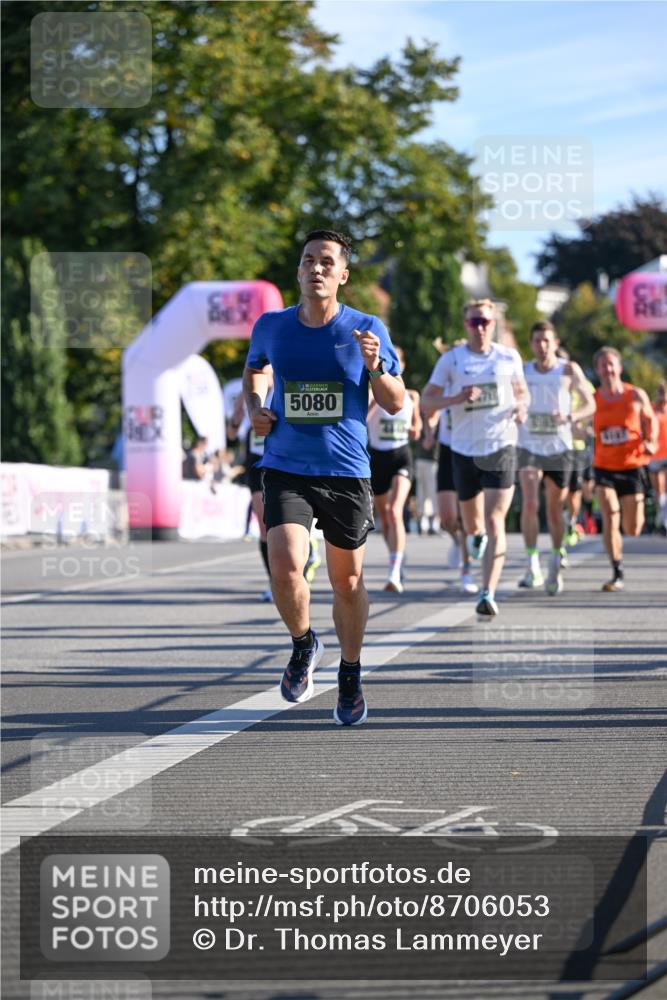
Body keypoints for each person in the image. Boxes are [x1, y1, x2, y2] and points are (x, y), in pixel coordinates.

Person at [243, 229, 404, 725]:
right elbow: (256, 373)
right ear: (298, 270)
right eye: (308, 260)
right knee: (285, 561)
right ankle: (303, 643)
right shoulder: (271, 326)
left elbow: (396, 402)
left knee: (347, 581)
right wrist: (255, 407)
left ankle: (350, 672)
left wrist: (376, 366)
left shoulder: (365, 328)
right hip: (286, 464)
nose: (317, 268)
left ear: (343, 274)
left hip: (347, 470)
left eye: (327, 262)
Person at [422, 299, 529, 619]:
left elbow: (522, 391)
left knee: (495, 519)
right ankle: (475, 539)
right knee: (472, 525)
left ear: (493, 323)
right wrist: (455, 398)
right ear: (465, 324)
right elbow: (427, 399)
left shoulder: (509, 357)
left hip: (501, 446)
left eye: (485, 321)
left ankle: (488, 591)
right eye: (474, 322)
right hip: (463, 450)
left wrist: (522, 406)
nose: (480, 327)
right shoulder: (452, 360)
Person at [517, 322, 595, 594]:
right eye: (537, 341)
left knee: (554, 509)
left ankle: (555, 555)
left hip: (558, 448)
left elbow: (590, 403)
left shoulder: (568, 370)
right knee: (529, 503)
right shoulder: (523, 370)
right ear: (531, 344)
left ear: (556, 343)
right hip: (528, 446)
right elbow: (510, 398)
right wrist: (518, 410)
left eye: (546, 341)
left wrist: (571, 417)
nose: (542, 346)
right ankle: (531, 564)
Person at [592, 346, 658, 591]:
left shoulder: (635, 395)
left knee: (632, 528)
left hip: (633, 465)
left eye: (611, 364)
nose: (607, 369)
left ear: (619, 367)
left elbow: (650, 420)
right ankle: (616, 569)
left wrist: (650, 441)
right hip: (604, 466)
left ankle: (623, 545)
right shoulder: (594, 399)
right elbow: (582, 423)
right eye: (602, 365)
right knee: (610, 514)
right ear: (598, 370)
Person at [367, 345, 421, 593]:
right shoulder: (372, 392)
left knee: (395, 511)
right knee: (385, 518)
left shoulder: (412, 396)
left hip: (401, 455)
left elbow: (417, 428)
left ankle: (394, 571)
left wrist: (415, 430)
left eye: (397, 359)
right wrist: (376, 402)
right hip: (378, 458)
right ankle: (396, 556)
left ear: (403, 364)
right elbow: (362, 417)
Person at [431, 340, 478, 596]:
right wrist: (428, 430)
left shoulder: (471, 380)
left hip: (470, 446)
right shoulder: (441, 381)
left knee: (469, 516)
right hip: (448, 450)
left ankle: (467, 572)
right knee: (448, 517)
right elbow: (432, 407)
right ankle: (457, 540)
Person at [414, 408, 439, 536]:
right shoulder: (421, 417)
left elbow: (432, 441)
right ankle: (422, 520)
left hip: (433, 461)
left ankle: (434, 521)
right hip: (420, 459)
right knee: (421, 491)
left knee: (433, 491)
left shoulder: (439, 420)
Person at [648, 381, 667, 533]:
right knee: (658, 491)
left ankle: (664, 519)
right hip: (654, 455)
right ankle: (661, 517)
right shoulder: (652, 410)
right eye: (660, 392)